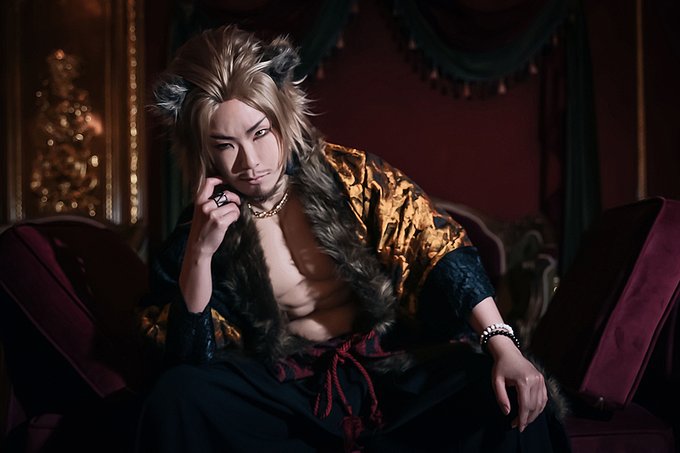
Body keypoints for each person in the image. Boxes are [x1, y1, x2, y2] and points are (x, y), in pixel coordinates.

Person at [137, 25, 570, 453]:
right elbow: (188, 358)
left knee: (505, 395)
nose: (249, 162)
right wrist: (200, 252)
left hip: (391, 368)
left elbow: (438, 248)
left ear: (283, 117)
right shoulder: (201, 230)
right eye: (225, 145)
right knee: (178, 397)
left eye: (260, 133)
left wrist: (503, 344)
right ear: (204, 150)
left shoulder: (353, 178)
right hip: (289, 387)